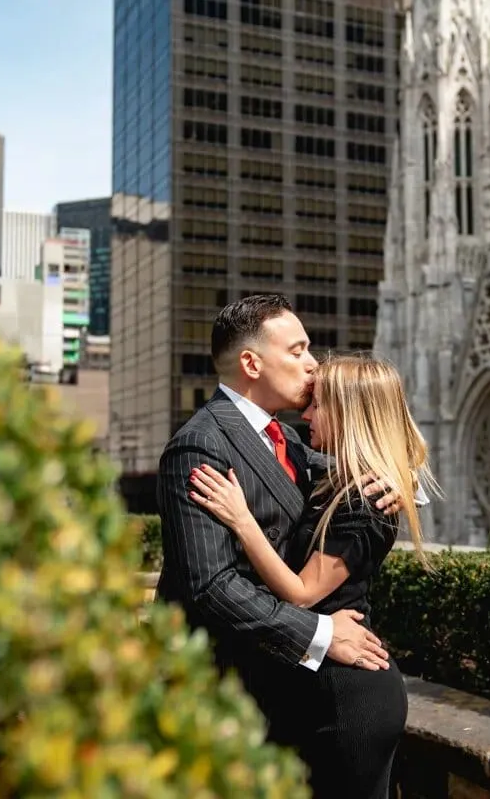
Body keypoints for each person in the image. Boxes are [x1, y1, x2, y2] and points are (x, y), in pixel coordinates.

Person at [155, 295, 402, 754]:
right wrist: (319, 633)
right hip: (219, 693)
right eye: (297, 351)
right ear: (251, 363)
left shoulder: (285, 437)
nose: (312, 364)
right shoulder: (200, 445)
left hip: (279, 691)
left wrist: (399, 485)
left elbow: (357, 463)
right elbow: (211, 586)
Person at [188, 355, 437, 799]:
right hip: (320, 687)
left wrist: (242, 520)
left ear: (349, 413)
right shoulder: (338, 478)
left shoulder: (363, 502)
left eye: (318, 405)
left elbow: (301, 594)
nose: (305, 415)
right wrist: (405, 480)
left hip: (350, 698)